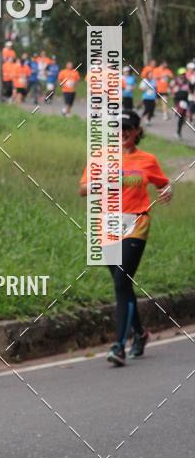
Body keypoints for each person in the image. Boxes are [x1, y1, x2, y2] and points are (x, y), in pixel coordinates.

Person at [79, 110, 172, 366]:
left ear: (137, 132)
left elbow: (163, 184)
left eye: (127, 128)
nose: (122, 133)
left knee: (122, 279)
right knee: (122, 285)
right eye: (117, 128)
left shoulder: (147, 159)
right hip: (107, 224)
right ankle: (140, 334)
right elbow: (83, 190)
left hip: (136, 223)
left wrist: (168, 191)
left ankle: (119, 345)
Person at [171, 69, 190, 139]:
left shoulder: (187, 81)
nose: (183, 75)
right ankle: (178, 132)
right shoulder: (176, 81)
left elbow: (190, 89)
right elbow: (172, 88)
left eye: (184, 74)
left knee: (183, 117)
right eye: (181, 74)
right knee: (181, 115)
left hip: (186, 100)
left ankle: (178, 132)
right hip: (178, 100)